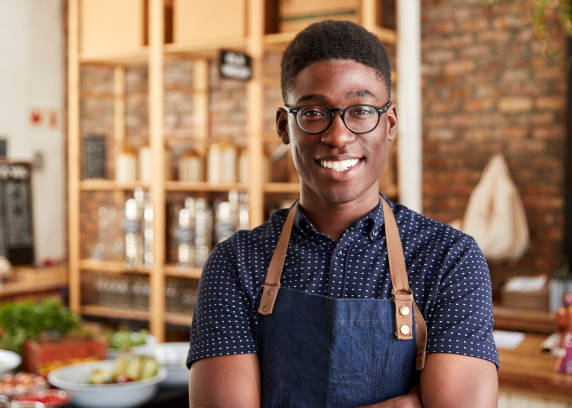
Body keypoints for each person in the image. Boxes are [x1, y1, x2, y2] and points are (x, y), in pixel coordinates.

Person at [188, 20, 499, 407]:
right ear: (285, 127)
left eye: (361, 110)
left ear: (389, 124)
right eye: (315, 112)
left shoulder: (449, 259)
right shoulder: (236, 264)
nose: (338, 136)